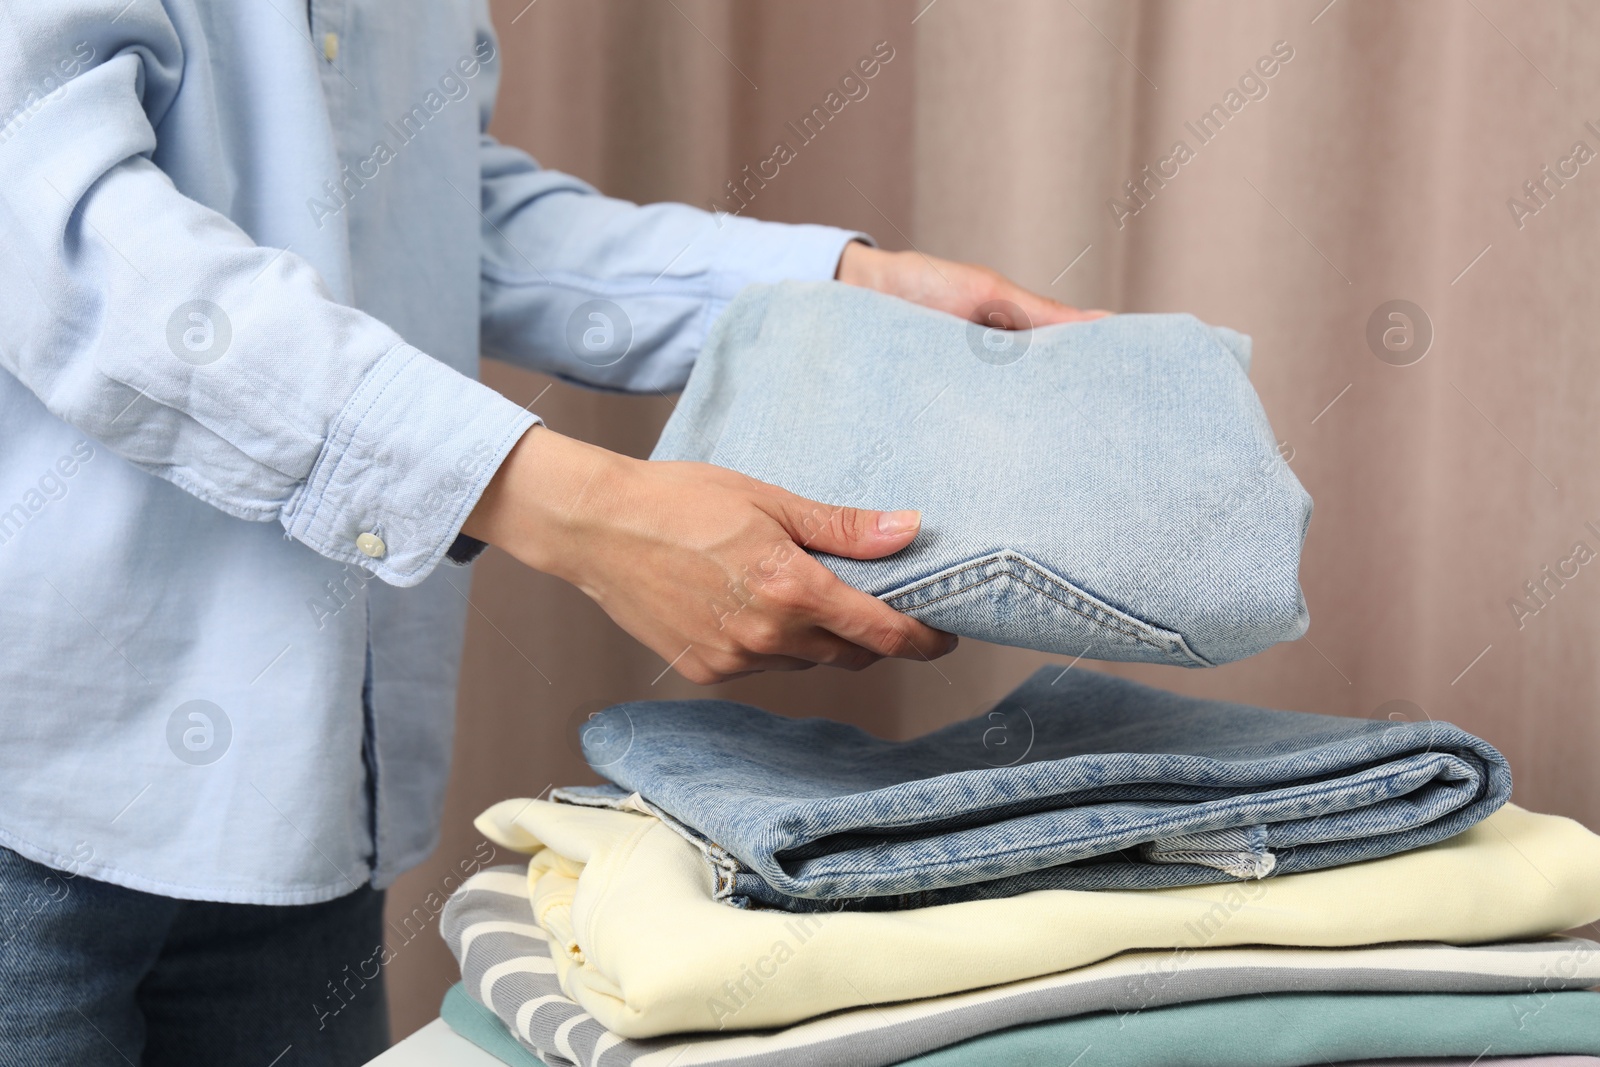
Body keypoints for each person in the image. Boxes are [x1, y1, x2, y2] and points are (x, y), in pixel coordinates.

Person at [0, 3, 1100, 1063]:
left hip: (297, 793)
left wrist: (835, 290)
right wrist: (575, 507)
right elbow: (66, 239)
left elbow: (436, 217)